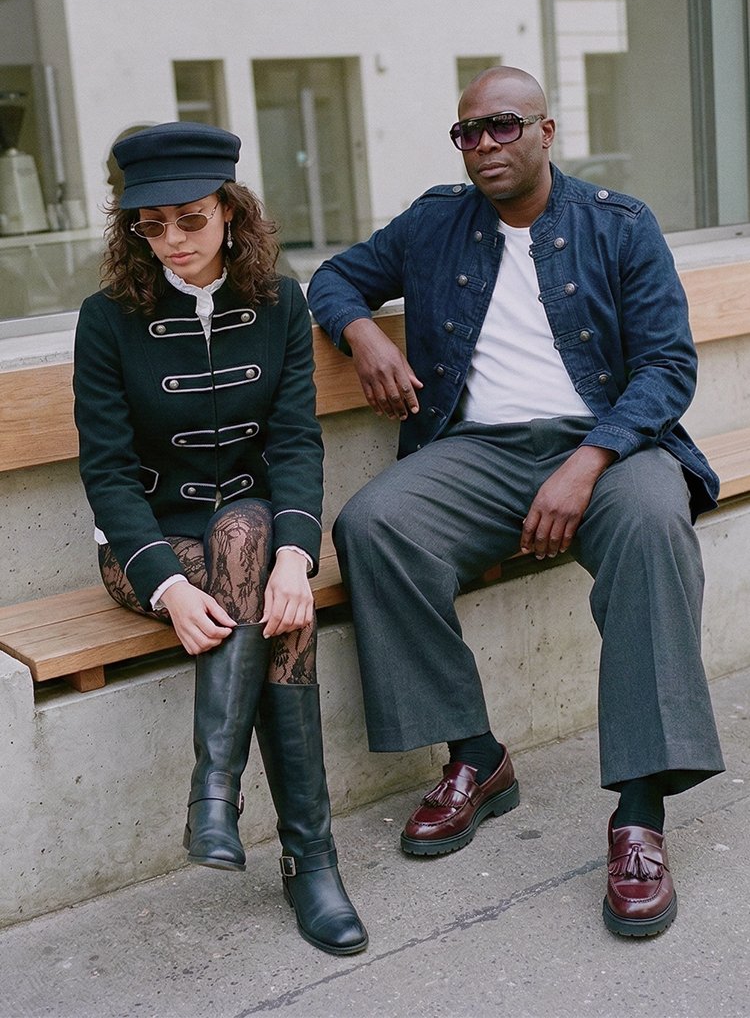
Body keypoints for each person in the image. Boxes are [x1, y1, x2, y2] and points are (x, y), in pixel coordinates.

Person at [307, 66, 725, 938]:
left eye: (504, 126)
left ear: (546, 130)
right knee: (374, 525)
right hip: (478, 450)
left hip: (611, 444)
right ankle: (476, 757)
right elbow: (333, 279)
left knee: (654, 526)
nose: (485, 145)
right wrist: (361, 334)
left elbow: (667, 366)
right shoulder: (434, 222)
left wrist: (588, 461)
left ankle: (639, 816)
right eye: (469, 133)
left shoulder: (620, 224)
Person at [73, 121, 367, 956]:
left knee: (249, 532)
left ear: (231, 211)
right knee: (254, 575)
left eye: (191, 219)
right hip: (149, 549)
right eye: (151, 224)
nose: (172, 240)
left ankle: (215, 795)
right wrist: (167, 586)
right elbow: (108, 473)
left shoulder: (280, 302)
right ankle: (311, 861)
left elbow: (296, 442)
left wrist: (296, 560)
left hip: (256, 535)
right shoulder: (106, 319)